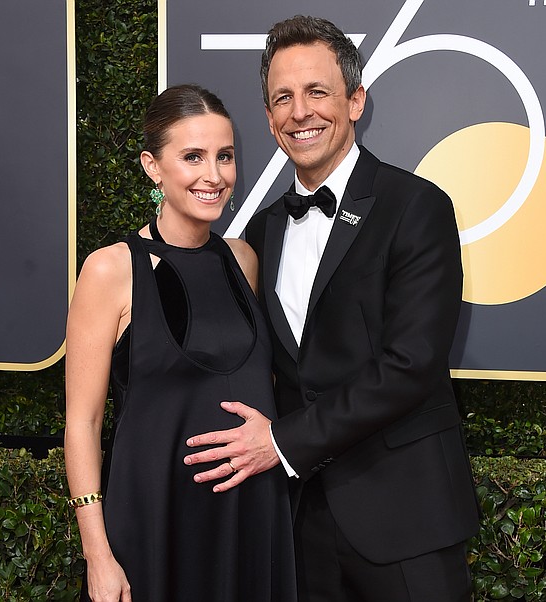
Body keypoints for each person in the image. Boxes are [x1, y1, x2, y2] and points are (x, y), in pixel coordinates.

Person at [183, 16, 481, 601]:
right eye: (283, 98)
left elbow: (412, 366)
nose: (300, 112)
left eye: (317, 92)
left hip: (407, 519)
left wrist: (283, 443)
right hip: (301, 525)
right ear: (268, 119)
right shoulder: (262, 233)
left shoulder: (415, 206)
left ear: (355, 100)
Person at [64, 84, 296, 602]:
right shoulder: (110, 269)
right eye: (193, 157)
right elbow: (83, 422)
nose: (214, 175)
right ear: (153, 166)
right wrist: (97, 554)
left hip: (249, 514)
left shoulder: (243, 261)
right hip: (154, 521)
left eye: (225, 157)